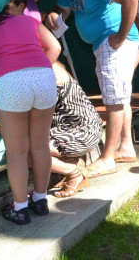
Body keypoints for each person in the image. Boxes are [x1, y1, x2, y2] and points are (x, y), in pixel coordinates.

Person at [44, 0, 139, 178]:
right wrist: (56, 14)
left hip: (113, 41)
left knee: (113, 100)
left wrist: (120, 36)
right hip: (102, 44)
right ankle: (126, 147)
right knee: (119, 95)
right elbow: (63, 8)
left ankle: (107, 159)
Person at [0, 0, 61, 225]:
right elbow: (55, 48)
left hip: (10, 82)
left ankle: (20, 209)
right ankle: (40, 201)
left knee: (17, 152)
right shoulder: (29, 20)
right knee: (40, 146)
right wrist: (34, 71)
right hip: (44, 77)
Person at [47, 61, 103, 197]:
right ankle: (76, 164)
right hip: (81, 131)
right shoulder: (51, 64)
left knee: (26, 152)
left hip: (81, 134)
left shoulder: (47, 71)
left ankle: (74, 173)